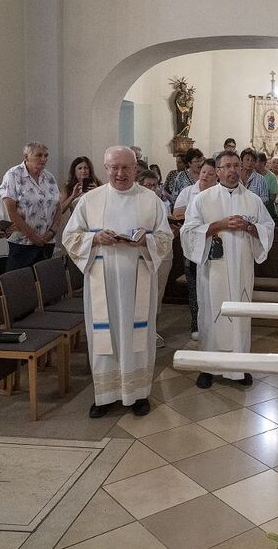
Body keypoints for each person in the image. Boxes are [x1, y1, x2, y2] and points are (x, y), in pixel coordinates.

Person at [63, 146, 173, 418]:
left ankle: (138, 394)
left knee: (138, 337)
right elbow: (70, 237)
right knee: (105, 337)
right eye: (114, 167)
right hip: (102, 283)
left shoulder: (150, 199)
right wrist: (94, 238)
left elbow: (165, 238)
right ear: (106, 168)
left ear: (135, 168)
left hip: (138, 283)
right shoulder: (90, 200)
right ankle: (105, 395)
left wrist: (146, 240)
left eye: (126, 167)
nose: (120, 173)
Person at [180, 150, 274, 389]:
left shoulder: (253, 200)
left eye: (236, 165)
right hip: (214, 270)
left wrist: (250, 227)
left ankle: (239, 367)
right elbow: (188, 232)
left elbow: (268, 228)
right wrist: (218, 225)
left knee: (240, 316)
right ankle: (208, 368)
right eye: (227, 166)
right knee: (211, 314)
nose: (233, 170)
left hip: (242, 269)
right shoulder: (202, 199)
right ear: (218, 171)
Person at [0, 141, 61, 270]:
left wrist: (52, 231)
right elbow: (11, 211)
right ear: (26, 157)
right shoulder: (13, 175)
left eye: (46, 155)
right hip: (22, 243)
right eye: (39, 155)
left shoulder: (49, 177)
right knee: (20, 280)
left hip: (47, 241)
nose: (43, 159)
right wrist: (32, 235)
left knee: (44, 279)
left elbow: (57, 206)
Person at [173, 163, 219, 338]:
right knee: (194, 287)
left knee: (212, 287)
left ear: (217, 176)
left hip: (213, 246)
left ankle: (214, 323)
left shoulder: (219, 194)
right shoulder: (188, 192)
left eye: (210, 173)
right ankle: (196, 325)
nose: (205, 176)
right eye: (203, 172)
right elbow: (177, 214)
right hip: (193, 244)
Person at [138, 168, 176, 349]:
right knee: (143, 294)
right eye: (148, 185)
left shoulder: (161, 203)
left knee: (158, 293)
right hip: (143, 254)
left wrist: (173, 229)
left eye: (154, 185)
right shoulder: (135, 203)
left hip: (162, 253)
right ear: (140, 185)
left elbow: (165, 231)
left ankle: (153, 329)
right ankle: (141, 331)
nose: (152, 189)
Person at [256, 152, 278, 219]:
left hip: (267, 210)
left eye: (256, 161)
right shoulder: (252, 175)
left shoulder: (271, 177)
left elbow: (272, 198)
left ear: (263, 163)